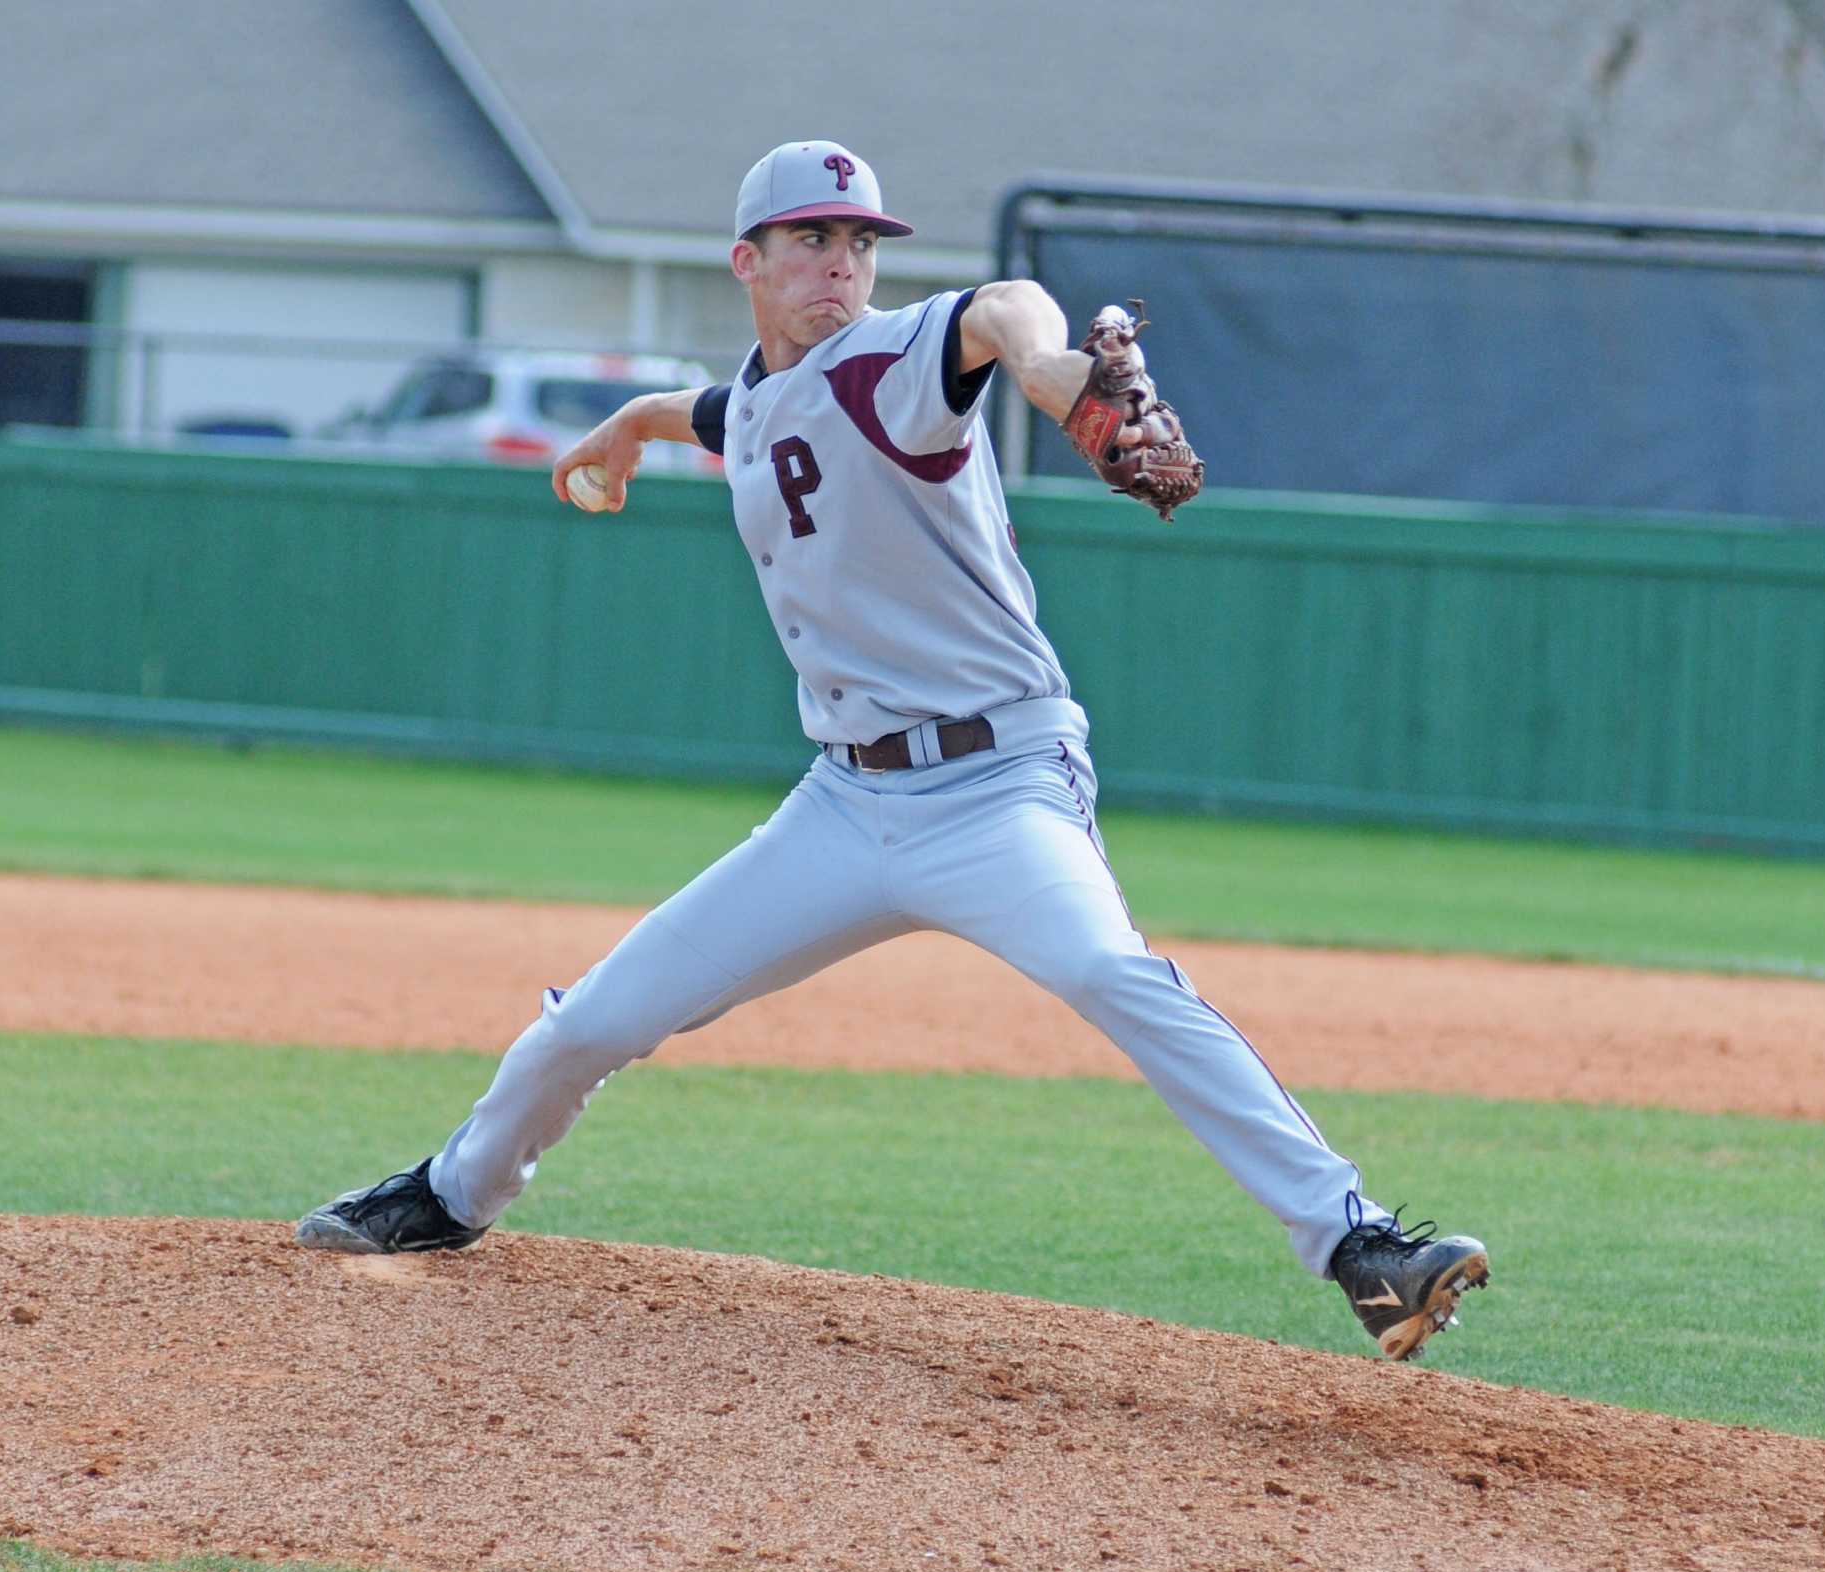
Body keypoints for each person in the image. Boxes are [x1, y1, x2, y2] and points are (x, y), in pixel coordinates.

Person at [296, 141, 1489, 1362]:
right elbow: (716, 409)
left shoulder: (889, 358)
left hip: (996, 783)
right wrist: (623, 426)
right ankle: (450, 1195)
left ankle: (1359, 1244)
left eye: (860, 242)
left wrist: (1040, 364)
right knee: (592, 1019)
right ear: (746, 261)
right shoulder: (762, 401)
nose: (842, 265)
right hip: (841, 807)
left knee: (1109, 972)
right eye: (813, 240)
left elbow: (994, 309)